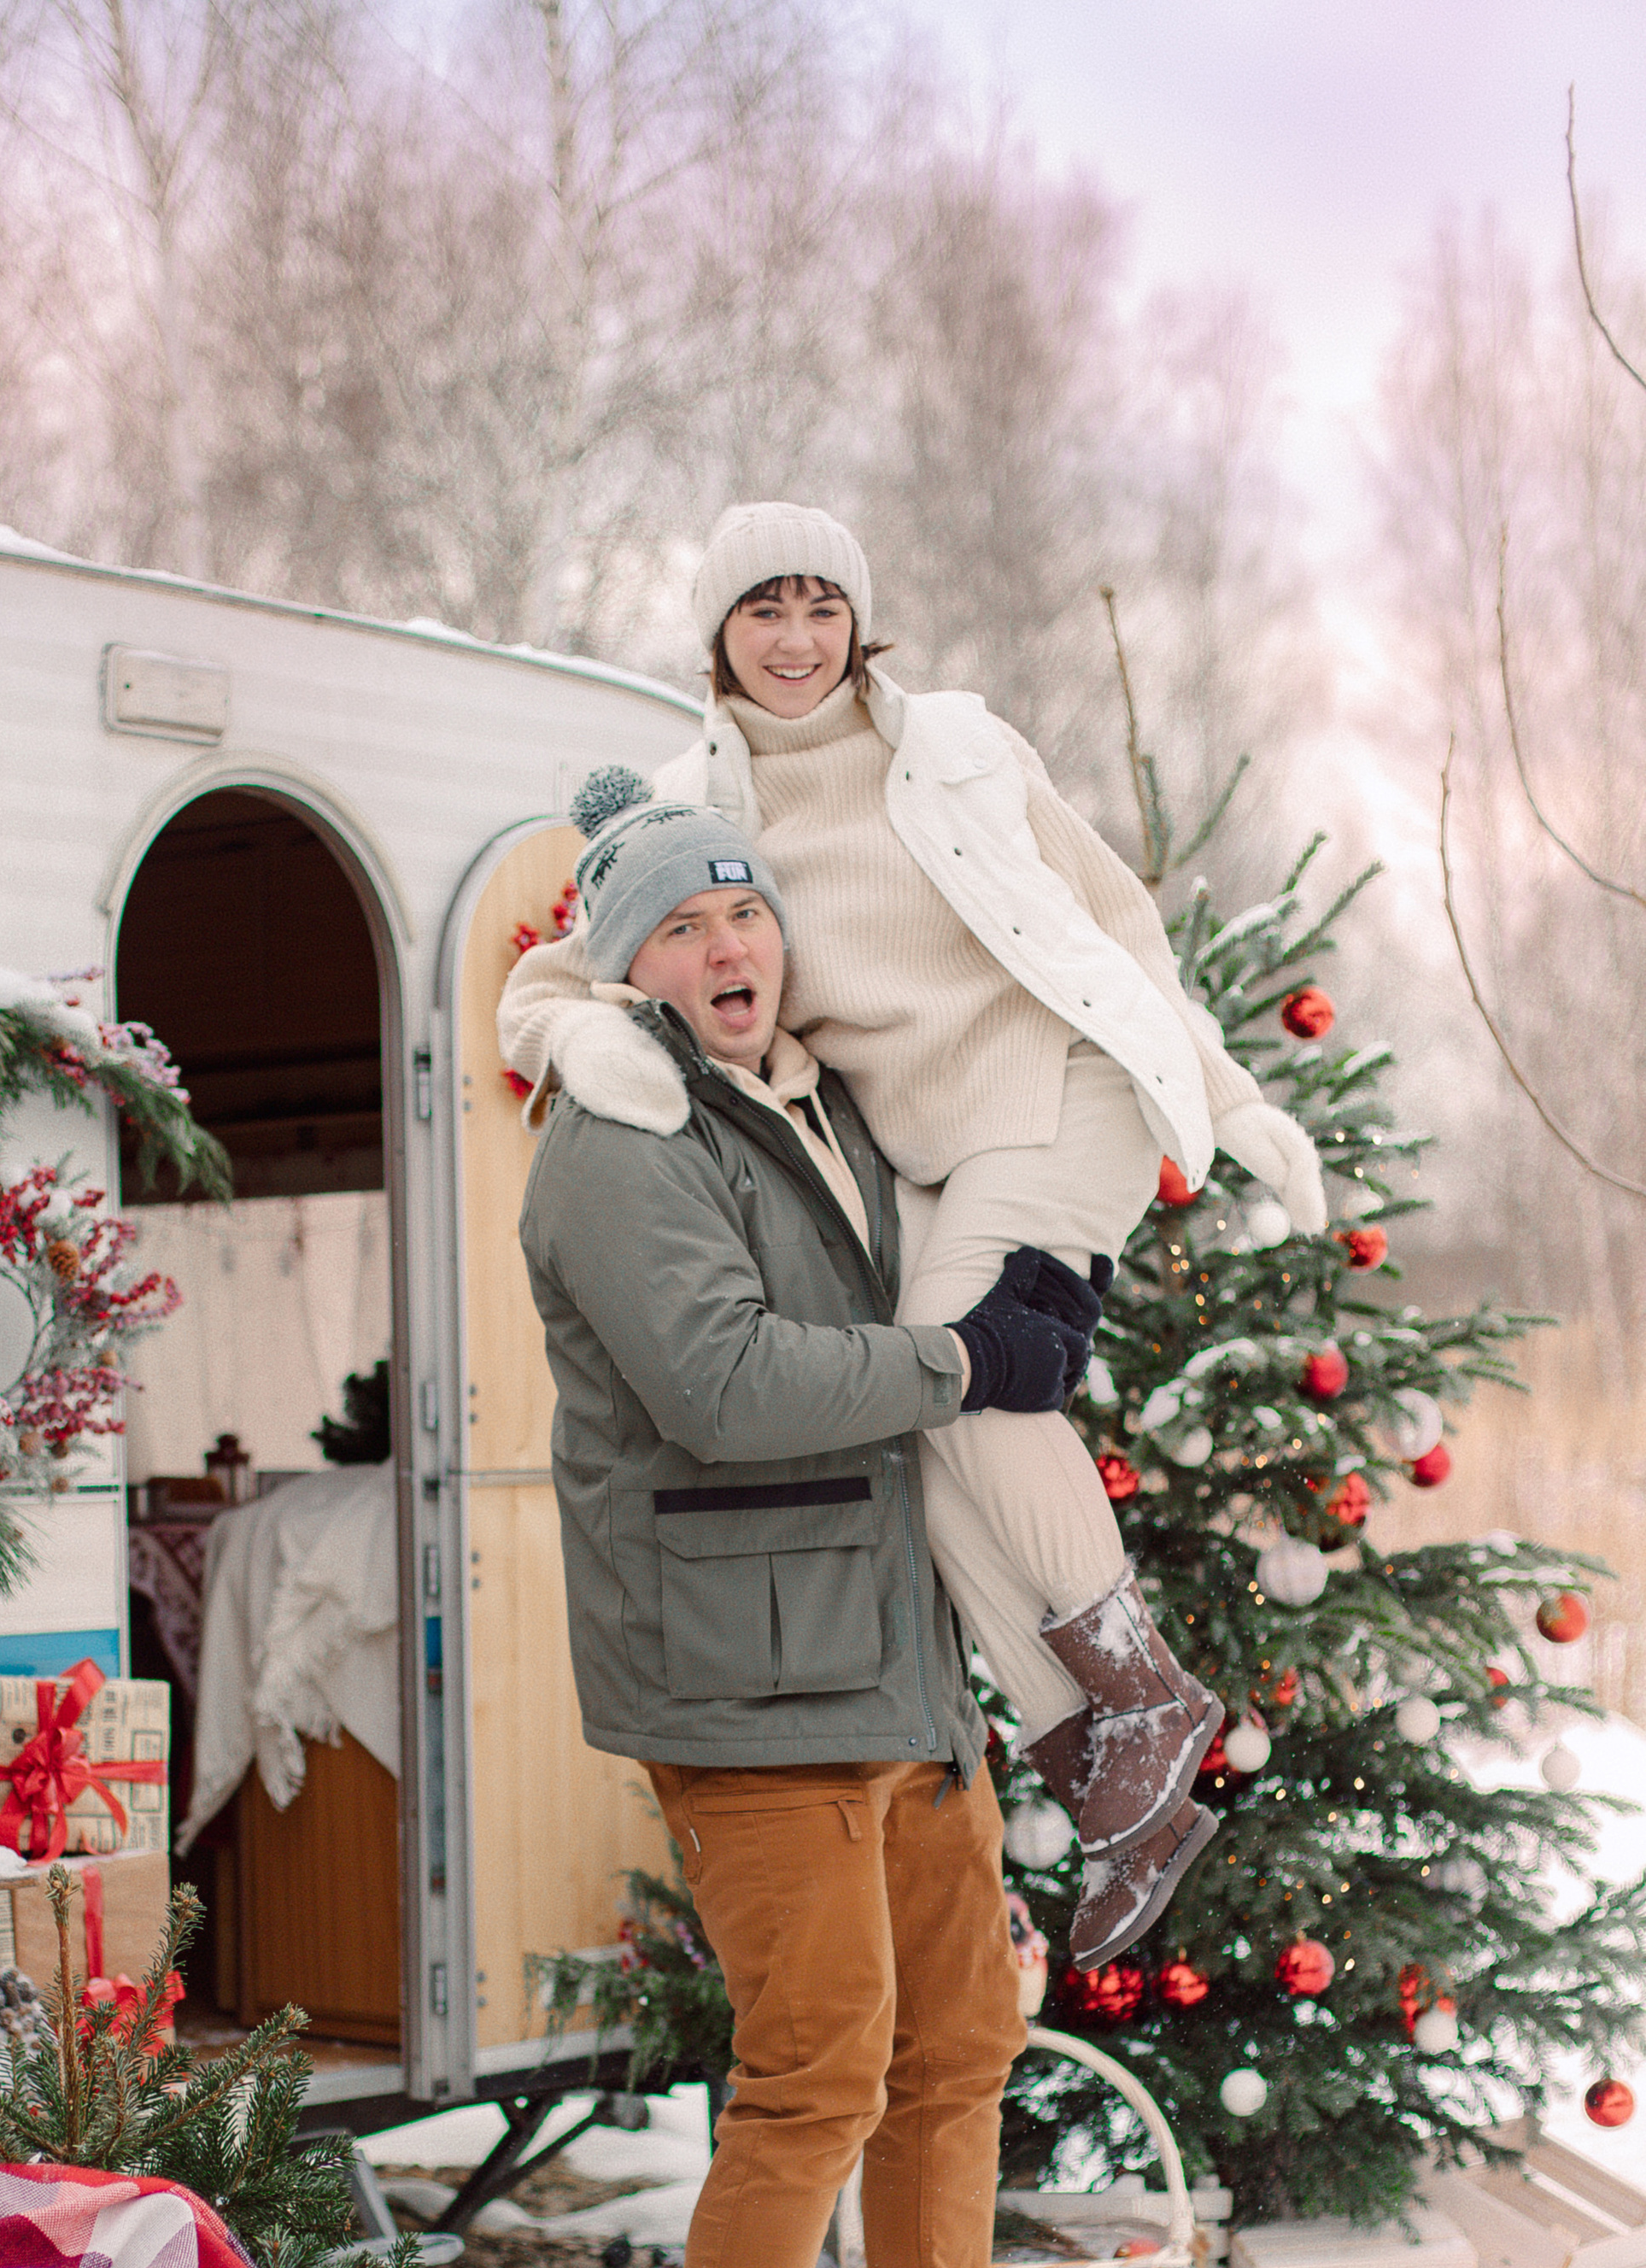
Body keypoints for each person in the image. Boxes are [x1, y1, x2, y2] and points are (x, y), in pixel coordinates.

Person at [502, 502, 1327, 1970]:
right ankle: (1102, 1778)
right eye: (765, 610)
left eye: (823, 607)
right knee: (930, 1456)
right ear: (719, 634)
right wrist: (580, 1044)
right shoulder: (699, 801)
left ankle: (1145, 1696)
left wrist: (1227, 1091)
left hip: (1054, 1089)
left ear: (859, 621)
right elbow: (570, 968)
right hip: (929, 1150)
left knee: (968, 1379)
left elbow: (1112, 922)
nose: (798, 639)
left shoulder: (960, 746)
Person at [518, 783, 1128, 2268]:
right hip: (739, 1676)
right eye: (683, 927)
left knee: (958, 2042)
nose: (728, 948)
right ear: (627, 964)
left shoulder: (817, 1101)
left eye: (746, 914)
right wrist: (958, 1360)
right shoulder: (618, 1136)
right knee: (819, 2072)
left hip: (892, 1661)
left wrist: (1029, 1284)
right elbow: (718, 1383)